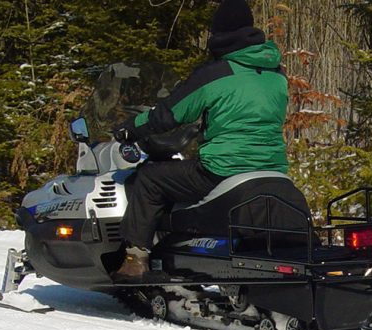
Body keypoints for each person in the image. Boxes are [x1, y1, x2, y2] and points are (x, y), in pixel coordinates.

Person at [111, 0, 288, 280]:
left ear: (219, 34)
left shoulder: (216, 74)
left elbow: (169, 114)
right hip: (272, 169)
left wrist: (130, 128)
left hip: (223, 168)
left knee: (149, 178)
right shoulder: (277, 74)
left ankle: (135, 259)